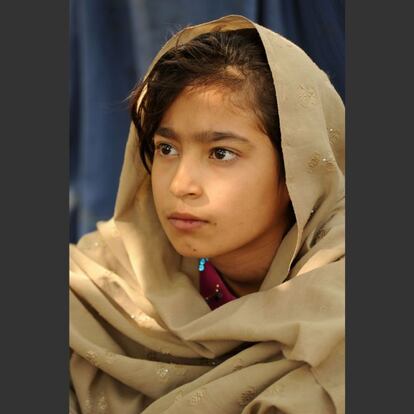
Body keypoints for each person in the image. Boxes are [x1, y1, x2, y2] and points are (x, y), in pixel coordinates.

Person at [69, 14, 345, 414]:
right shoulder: (106, 284)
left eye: (221, 153)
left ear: (297, 170)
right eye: (166, 149)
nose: (181, 184)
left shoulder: (339, 319)